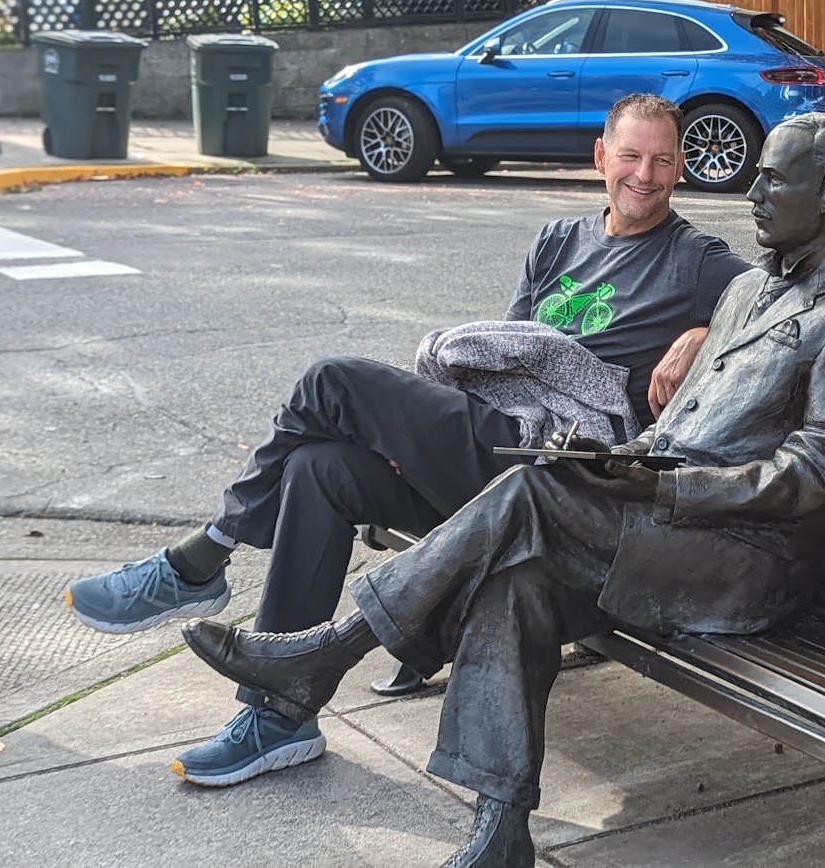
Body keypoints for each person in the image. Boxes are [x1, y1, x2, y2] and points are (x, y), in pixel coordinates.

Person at [180, 114, 825, 867]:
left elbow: (822, 475)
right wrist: (618, 459)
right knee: (517, 574)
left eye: (775, 177)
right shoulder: (750, 290)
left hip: (745, 562)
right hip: (667, 521)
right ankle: (500, 832)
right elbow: (685, 429)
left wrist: (665, 490)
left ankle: (328, 651)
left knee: (530, 493)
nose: (753, 189)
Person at [63, 93, 749, 788]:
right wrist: (415, 440)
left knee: (333, 381)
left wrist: (707, 329)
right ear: (601, 156)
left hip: (556, 476)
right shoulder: (556, 241)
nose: (645, 173)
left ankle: (202, 558)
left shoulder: (694, 261)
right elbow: (505, 358)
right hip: (489, 449)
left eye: (662, 159)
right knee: (320, 466)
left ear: (681, 166)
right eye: (631, 155)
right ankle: (280, 715)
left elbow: (788, 296)